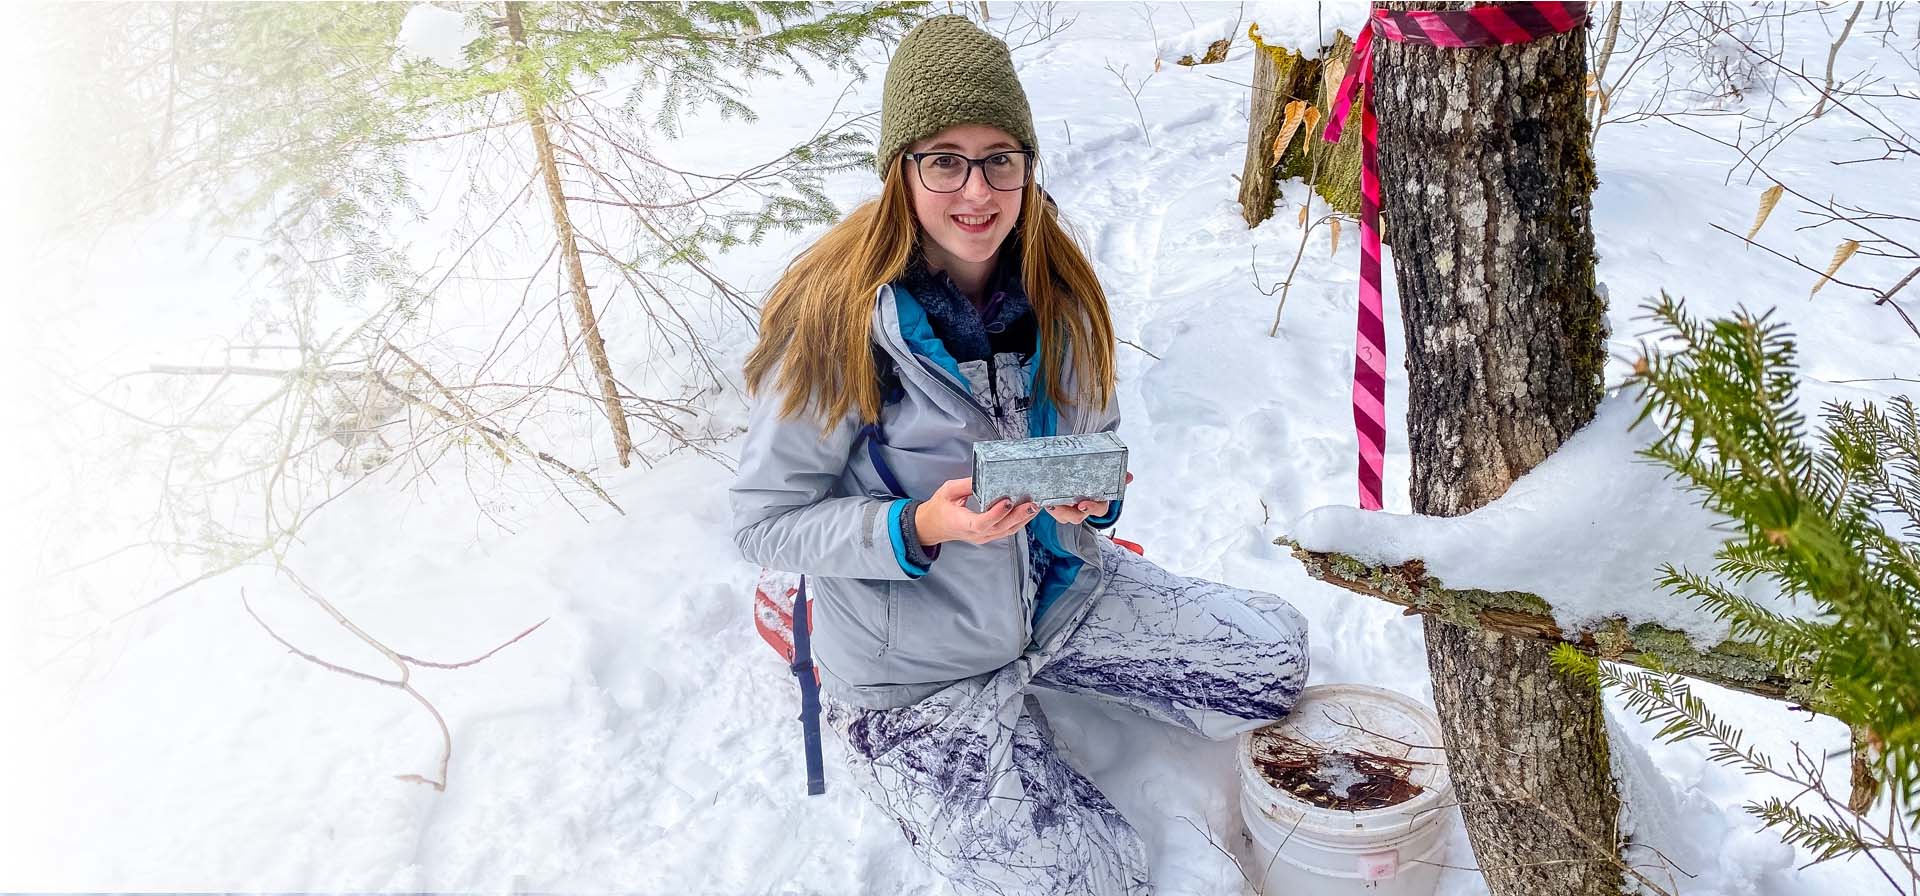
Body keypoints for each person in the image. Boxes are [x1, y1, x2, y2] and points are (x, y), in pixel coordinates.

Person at [730, 15, 1309, 896]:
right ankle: (846, 680)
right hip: (912, 670)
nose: (977, 189)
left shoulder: (1059, 295)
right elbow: (765, 524)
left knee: (1277, 661)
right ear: (902, 172)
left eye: (1001, 157)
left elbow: (1095, 441)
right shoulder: (834, 323)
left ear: (1028, 166)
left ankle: (1045, 661)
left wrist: (1092, 500)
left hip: (1058, 596)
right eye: (944, 159)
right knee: (1092, 885)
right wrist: (919, 524)